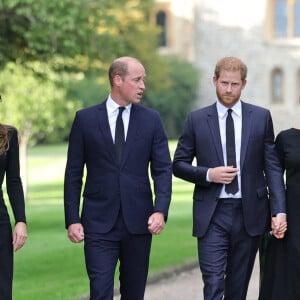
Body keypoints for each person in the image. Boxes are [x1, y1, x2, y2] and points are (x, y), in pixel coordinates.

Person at [172, 56, 287, 300]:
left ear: (243, 84)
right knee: (213, 283)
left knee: (237, 290)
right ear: (214, 80)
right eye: (224, 83)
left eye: (234, 84)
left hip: (250, 214)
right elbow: (178, 165)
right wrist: (208, 174)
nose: (228, 89)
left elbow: (272, 167)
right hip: (212, 214)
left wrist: (279, 210)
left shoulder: (260, 117)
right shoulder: (197, 120)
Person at [64, 56, 172, 300]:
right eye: (137, 80)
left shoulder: (151, 120)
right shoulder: (85, 120)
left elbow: (163, 169)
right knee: (100, 292)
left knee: (134, 294)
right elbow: (73, 174)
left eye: (143, 79)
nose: (143, 85)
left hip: (139, 222)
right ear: (117, 80)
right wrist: (72, 218)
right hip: (98, 223)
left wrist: (160, 210)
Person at [259, 127, 300, 299]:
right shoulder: (286, 138)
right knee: (286, 278)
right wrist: (276, 212)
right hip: (292, 219)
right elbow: (273, 177)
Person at [0, 117, 27, 300]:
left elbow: (14, 181)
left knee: (2, 287)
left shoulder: (9, 135)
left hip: (0, 221)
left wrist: (20, 220)